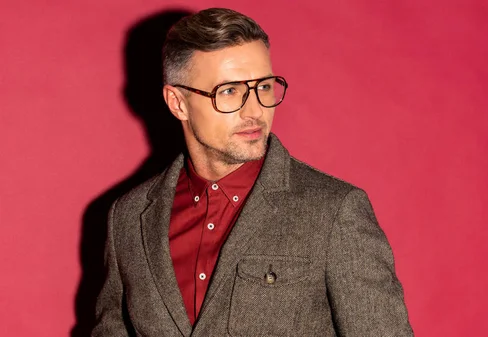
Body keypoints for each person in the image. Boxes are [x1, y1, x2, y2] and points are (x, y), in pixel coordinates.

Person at [92, 7, 413, 337]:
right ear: (178, 103)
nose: (255, 109)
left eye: (263, 87)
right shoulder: (128, 219)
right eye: (229, 91)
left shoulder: (334, 211)